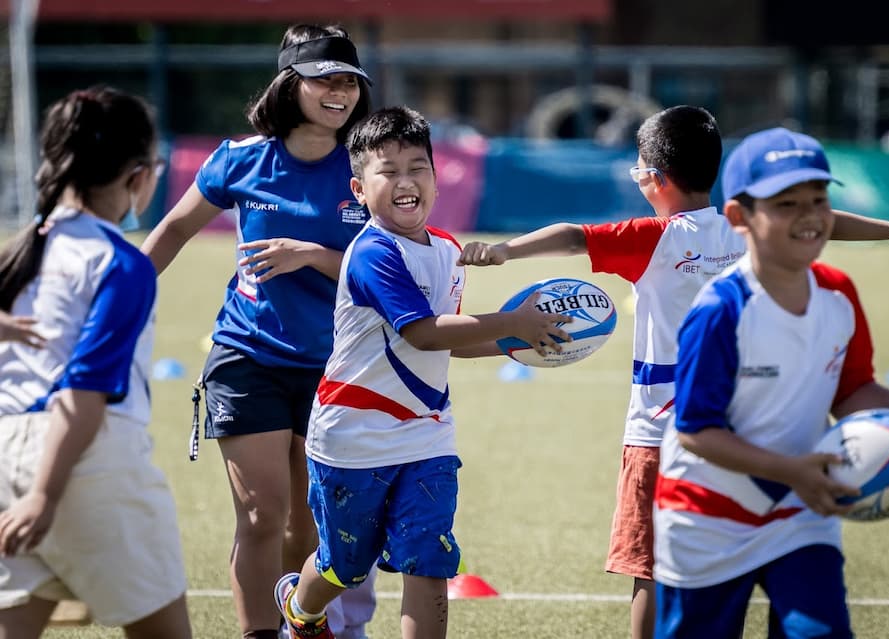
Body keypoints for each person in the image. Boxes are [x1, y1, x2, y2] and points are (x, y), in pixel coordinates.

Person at [456, 106, 889, 639]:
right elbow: (827, 224)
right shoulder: (746, 237)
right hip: (733, 441)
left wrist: (503, 251)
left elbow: (574, 235)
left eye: (639, 168)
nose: (806, 215)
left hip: (659, 434)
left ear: (654, 178)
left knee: (648, 570)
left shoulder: (657, 237)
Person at [273, 105, 571, 639]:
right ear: (360, 190)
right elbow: (424, 332)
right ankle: (301, 608)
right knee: (346, 564)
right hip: (352, 438)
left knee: (429, 561)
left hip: (427, 436)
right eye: (388, 171)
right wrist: (514, 321)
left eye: (418, 167)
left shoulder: (450, 250)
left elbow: (447, 345)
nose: (406, 181)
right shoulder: (372, 253)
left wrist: (519, 343)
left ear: (437, 177)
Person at [653, 126, 889, 639]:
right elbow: (696, 431)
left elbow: (852, 390)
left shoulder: (838, 292)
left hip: (799, 512)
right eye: (786, 204)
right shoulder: (721, 309)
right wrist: (793, 469)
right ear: (739, 218)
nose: (809, 215)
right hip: (706, 518)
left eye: (818, 199)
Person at [140, 24, 380, 639]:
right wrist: (125, 297)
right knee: (260, 515)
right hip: (248, 355)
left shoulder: (367, 166)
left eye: (349, 81)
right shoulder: (240, 159)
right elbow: (171, 230)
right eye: (324, 79)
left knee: (308, 523)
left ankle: (302, 624)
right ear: (289, 84)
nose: (340, 92)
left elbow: (391, 263)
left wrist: (312, 254)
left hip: (339, 364)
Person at [0, 86, 191, 638]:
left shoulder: (20, 249)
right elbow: (83, 390)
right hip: (85, 457)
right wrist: (46, 493)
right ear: (139, 175)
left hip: (8, 454)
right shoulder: (121, 263)